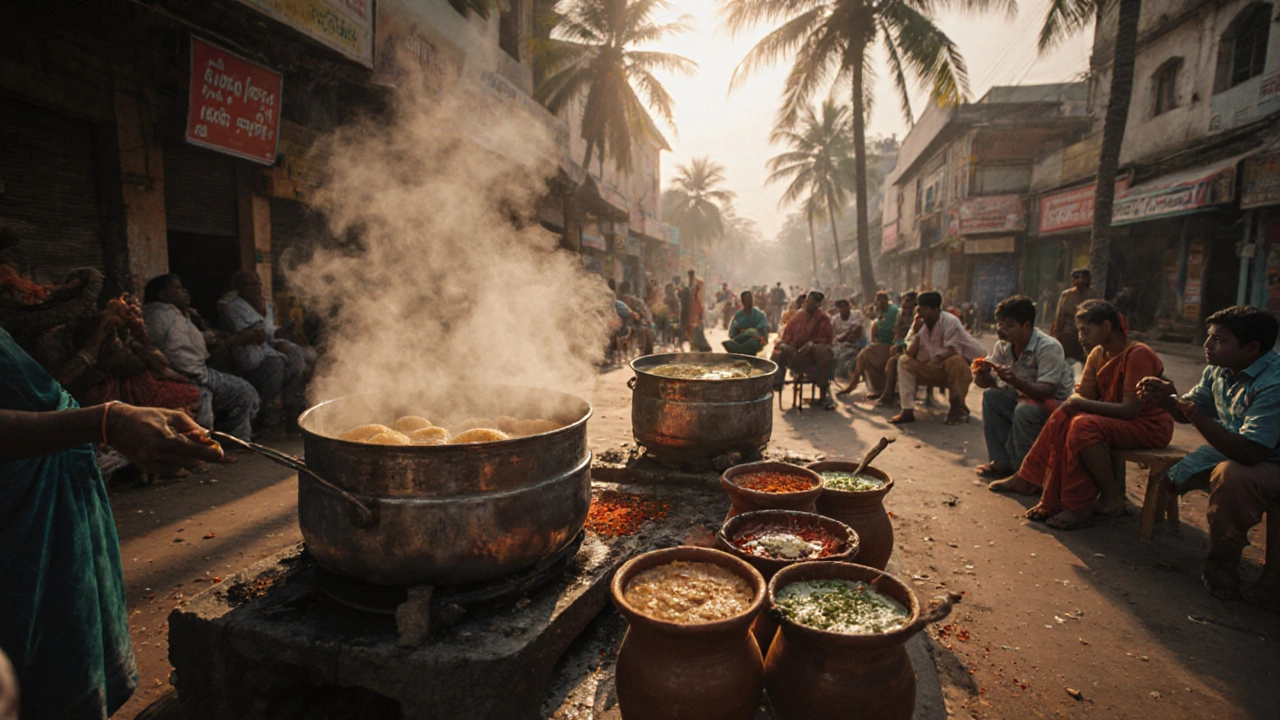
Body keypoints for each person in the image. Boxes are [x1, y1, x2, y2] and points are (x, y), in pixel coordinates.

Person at [0, 326, 224, 719]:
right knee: (30, 667)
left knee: (69, 643)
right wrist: (107, 421)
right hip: (18, 516)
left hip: (55, 497)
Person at [1137, 306, 1280, 602]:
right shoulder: (1218, 370)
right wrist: (1167, 398)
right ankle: (1223, 564)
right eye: (1209, 337)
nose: (1208, 345)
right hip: (1242, 451)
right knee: (1182, 474)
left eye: (1219, 340)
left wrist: (1196, 416)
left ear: (1252, 348)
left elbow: (1250, 452)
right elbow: (1188, 409)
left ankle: (1222, 565)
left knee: (1232, 477)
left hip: (1267, 459)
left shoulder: (1273, 383)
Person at [991, 300, 1173, 530]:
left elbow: (1130, 410)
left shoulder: (1137, 354)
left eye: (1086, 331)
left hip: (1147, 426)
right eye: (1080, 331)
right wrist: (1075, 404)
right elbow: (1083, 397)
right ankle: (1033, 481)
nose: (1080, 337)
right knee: (1065, 416)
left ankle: (1097, 500)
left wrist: (1079, 403)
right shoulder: (1098, 354)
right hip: (1115, 422)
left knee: (1082, 425)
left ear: (1107, 327)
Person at [144, 274, 262, 442]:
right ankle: (231, 440)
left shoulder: (178, 315)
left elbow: (189, 341)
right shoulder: (158, 316)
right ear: (162, 295)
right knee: (242, 392)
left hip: (199, 373)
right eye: (178, 288)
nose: (185, 292)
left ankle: (233, 439)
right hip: (187, 375)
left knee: (242, 392)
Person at [973, 296, 1074, 480]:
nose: (1002, 330)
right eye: (1000, 324)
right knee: (991, 396)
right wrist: (983, 376)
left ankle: (1026, 474)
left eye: (1009, 325)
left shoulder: (1048, 347)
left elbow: (1048, 391)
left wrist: (1016, 381)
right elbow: (991, 384)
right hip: (1021, 396)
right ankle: (1001, 461)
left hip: (1054, 406)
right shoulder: (1003, 346)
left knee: (1024, 410)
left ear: (1026, 326)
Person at [218, 270, 309, 430]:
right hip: (248, 354)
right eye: (250, 285)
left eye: (257, 284)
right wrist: (269, 339)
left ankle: (292, 411)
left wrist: (280, 335)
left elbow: (268, 331)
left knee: (297, 354)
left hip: (266, 349)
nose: (256, 288)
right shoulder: (231, 306)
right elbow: (248, 334)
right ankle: (260, 413)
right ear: (239, 288)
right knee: (276, 364)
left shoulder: (264, 303)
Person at [890, 291, 984, 425]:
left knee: (956, 361)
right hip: (930, 367)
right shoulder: (919, 322)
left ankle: (957, 410)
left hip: (950, 368)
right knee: (903, 361)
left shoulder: (950, 321)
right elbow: (910, 353)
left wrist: (934, 361)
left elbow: (952, 349)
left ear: (935, 310)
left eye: (924, 308)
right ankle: (907, 410)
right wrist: (917, 333)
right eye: (919, 308)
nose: (920, 311)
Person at [771, 290, 836, 410]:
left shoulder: (823, 318)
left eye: (813, 304)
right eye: (808, 303)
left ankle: (823, 391)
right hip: (796, 354)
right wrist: (788, 343)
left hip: (813, 357)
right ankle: (776, 382)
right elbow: (787, 335)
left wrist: (812, 344)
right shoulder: (798, 316)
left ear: (818, 305)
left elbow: (827, 338)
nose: (809, 305)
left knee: (825, 352)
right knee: (780, 349)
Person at [839, 291, 899, 398]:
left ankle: (853, 384)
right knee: (866, 357)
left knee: (865, 354)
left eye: (879, 299)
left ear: (885, 299)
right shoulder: (881, 312)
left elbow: (888, 330)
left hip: (892, 345)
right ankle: (878, 389)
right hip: (880, 345)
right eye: (876, 299)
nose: (877, 302)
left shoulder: (893, 311)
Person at [1052, 268, 1096, 365]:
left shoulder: (1094, 295)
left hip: (1087, 336)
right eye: (1077, 277)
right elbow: (1059, 317)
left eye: (1083, 277)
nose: (1080, 280)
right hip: (1068, 336)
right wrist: (1057, 335)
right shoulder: (1066, 295)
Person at [831, 298, 867, 390]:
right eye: (840, 307)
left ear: (849, 307)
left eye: (844, 306)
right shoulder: (835, 319)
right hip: (840, 346)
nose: (842, 309)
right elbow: (833, 334)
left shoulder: (857, 314)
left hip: (856, 343)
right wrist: (839, 340)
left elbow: (856, 330)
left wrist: (845, 337)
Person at [723, 290, 769, 356]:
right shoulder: (738, 315)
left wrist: (753, 332)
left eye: (750, 299)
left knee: (751, 343)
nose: (749, 302)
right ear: (742, 301)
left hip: (756, 339)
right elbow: (732, 332)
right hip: (741, 340)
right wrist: (742, 334)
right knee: (730, 344)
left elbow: (763, 328)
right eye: (747, 300)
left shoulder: (759, 314)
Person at [617, 281, 656, 355]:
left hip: (630, 324)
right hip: (631, 324)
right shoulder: (636, 301)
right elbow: (644, 313)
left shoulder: (620, 301)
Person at [685, 269, 712, 352]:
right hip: (691, 309)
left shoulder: (699, 283)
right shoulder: (689, 283)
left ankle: (702, 347)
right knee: (690, 329)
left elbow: (701, 298)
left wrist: (700, 310)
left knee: (698, 328)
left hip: (697, 308)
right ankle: (693, 346)